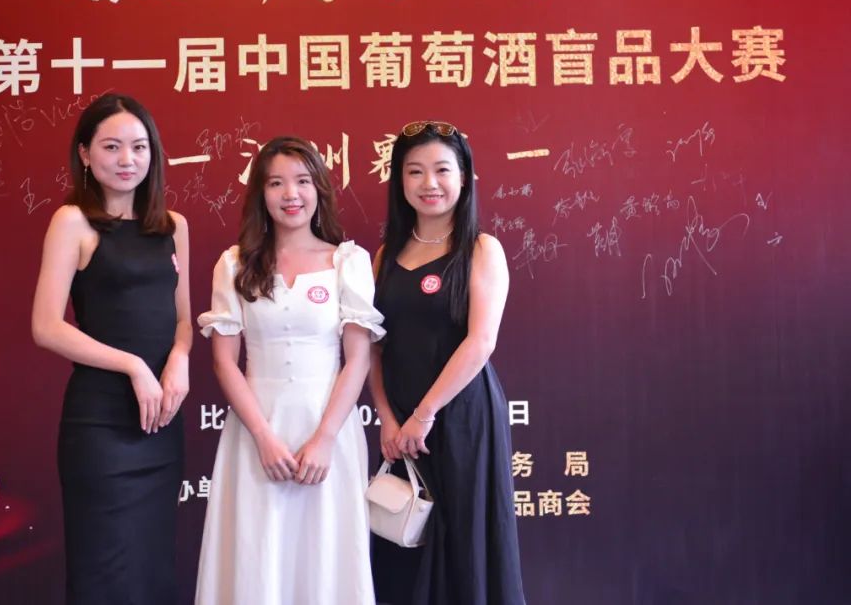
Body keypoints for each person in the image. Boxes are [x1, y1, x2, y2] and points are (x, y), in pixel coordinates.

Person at [195, 136, 383, 605]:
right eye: (276, 183)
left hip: (329, 430)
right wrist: (263, 436)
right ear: (261, 193)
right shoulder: (234, 264)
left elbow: (358, 359)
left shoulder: (348, 262)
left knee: (326, 552)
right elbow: (224, 361)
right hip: (256, 430)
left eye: (302, 181)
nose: (290, 194)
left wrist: (324, 439)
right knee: (257, 550)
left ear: (319, 188)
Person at [31, 93, 191, 605]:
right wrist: (134, 367)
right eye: (111, 146)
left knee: (152, 569)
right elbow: (46, 326)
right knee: (103, 574)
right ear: (85, 153)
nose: (127, 160)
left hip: (160, 424)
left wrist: (179, 359)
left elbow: (183, 320)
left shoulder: (173, 226)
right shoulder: (72, 222)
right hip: (100, 425)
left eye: (139, 147)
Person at [368, 120, 525, 605]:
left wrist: (425, 413)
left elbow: (481, 342)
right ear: (400, 180)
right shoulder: (385, 255)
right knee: (403, 538)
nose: (429, 183)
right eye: (414, 171)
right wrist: (388, 418)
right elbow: (374, 346)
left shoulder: (481, 249)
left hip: (460, 418)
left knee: (464, 542)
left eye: (442, 170)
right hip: (401, 425)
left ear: (464, 177)